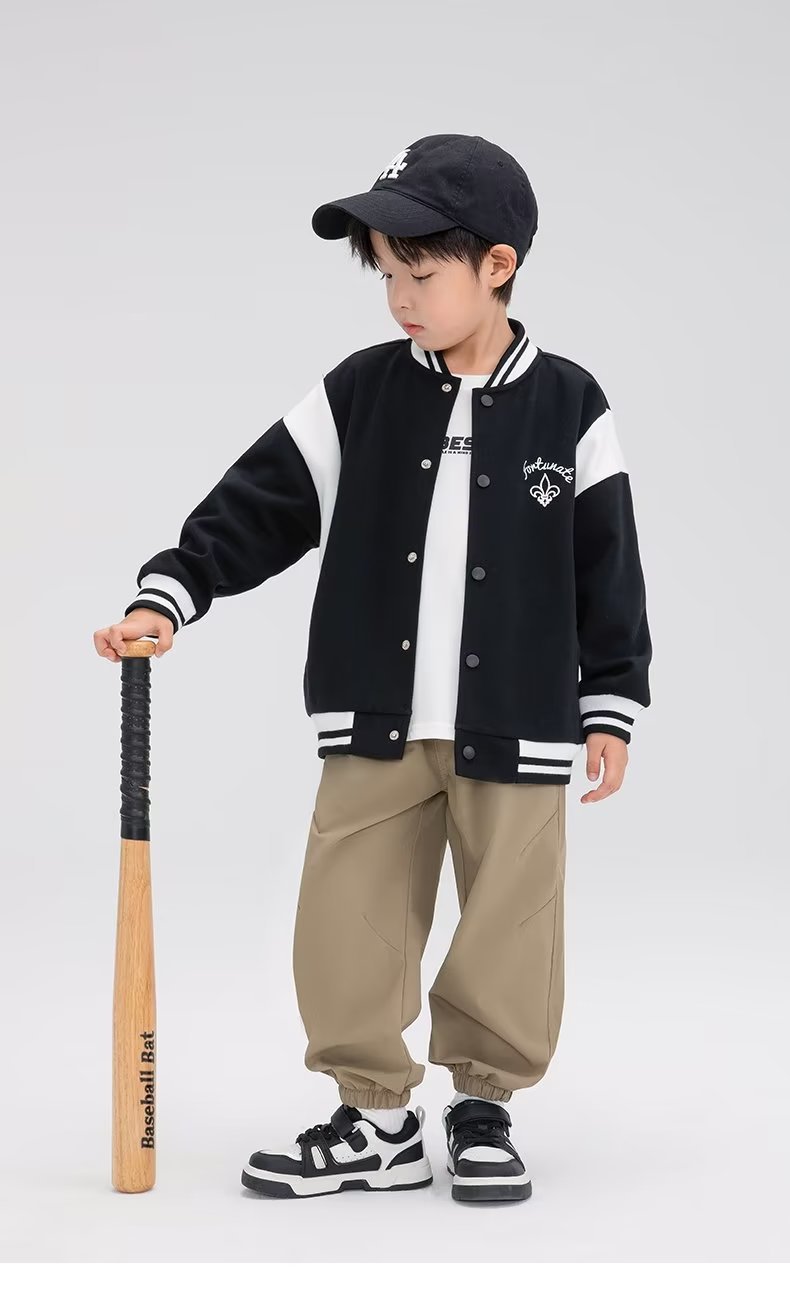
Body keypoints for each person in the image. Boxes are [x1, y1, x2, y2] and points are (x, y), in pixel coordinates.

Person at [94, 133, 652, 1204]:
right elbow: (259, 503)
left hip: (521, 717)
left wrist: (611, 701)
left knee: (511, 918)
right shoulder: (360, 393)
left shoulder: (570, 405)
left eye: (421, 274)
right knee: (347, 916)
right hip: (373, 717)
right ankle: (376, 1117)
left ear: (498, 265)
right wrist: (170, 592)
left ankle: (482, 1105)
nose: (399, 297)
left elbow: (608, 563)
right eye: (386, 274)